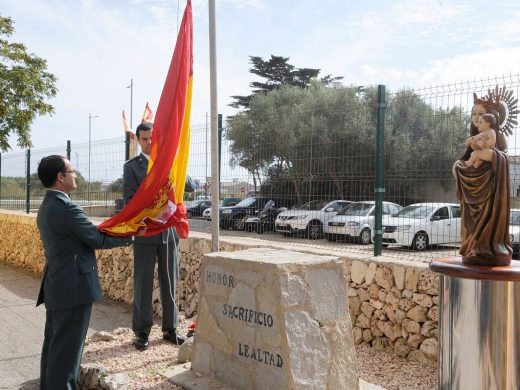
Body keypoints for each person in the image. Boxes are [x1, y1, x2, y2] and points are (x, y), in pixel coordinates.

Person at [36, 155, 133, 389]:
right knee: (67, 355)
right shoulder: (66, 208)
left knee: (55, 349)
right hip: (73, 288)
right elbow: (96, 238)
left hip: (59, 285)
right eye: (72, 171)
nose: (75, 175)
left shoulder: (48, 205)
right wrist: (132, 233)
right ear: (60, 177)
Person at [123, 121, 192, 350]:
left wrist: (176, 163)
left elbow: (189, 186)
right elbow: (131, 201)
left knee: (170, 282)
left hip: (168, 234)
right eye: (145, 139)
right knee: (143, 284)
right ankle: (142, 332)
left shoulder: (169, 161)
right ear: (138, 140)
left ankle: (170, 329)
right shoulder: (132, 167)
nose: (149, 143)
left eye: (153, 138)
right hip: (145, 233)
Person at [453, 93, 512, 266]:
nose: (476, 118)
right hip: (472, 193)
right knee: (471, 226)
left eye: (480, 114)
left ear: (491, 118)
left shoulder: (496, 136)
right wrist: (458, 166)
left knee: (487, 221)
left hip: (491, 192)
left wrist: (492, 155)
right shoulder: (476, 137)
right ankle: (472, 247)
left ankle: (487, 247)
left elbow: (504, 157)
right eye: (473, 114)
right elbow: (466, 161)